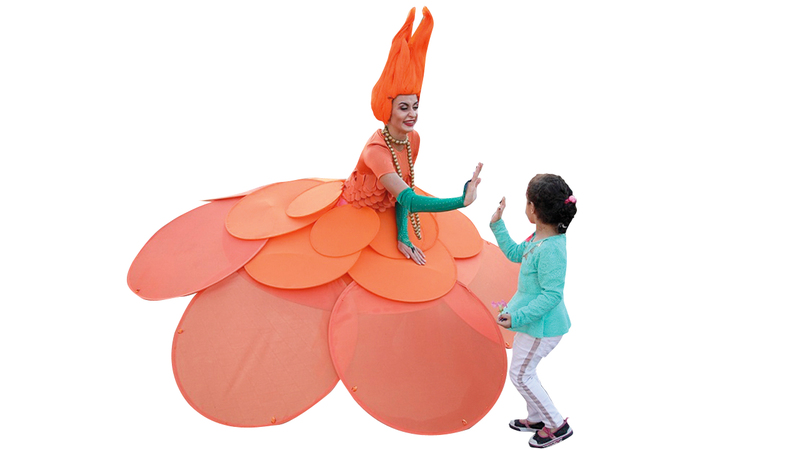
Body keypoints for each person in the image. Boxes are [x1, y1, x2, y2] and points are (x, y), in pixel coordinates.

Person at [490, 173, 577, 448]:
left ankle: (557, 425)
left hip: (542, 327)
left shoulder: (551, 249)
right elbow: (516, 254)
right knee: (523, 371)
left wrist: (517, 317)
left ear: (533, 209)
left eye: (527, 201)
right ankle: (538, 418)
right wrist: (497, 224)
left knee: (520, 374)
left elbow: (552, 295)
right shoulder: (539, 237)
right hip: (532, 323)